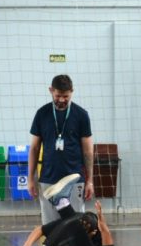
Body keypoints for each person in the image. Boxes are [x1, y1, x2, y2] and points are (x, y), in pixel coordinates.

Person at [29, 75, 93, 223]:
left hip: (74, 179)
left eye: (66, 96)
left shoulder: (81, 115)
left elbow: (88, 151)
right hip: (48, 179)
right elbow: (34, 148)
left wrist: (89, 181)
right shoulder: (42, 114)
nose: (62, 100)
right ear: (51, 91)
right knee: (50, 225)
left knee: (76, 225)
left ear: (72, 91)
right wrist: (30, 179)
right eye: (58, 96)